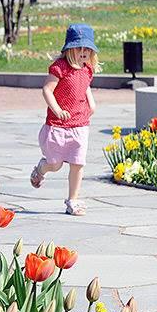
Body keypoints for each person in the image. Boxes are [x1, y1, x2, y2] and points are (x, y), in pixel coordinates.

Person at [29, 24, 98, 217]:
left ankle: (73, 200)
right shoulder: (60, 68)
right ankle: (42, 169)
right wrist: (57, 109)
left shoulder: (87, 69)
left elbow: (85, 87)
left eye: (87, 49)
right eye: (79, 48)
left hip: (80, 125)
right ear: (69, 48)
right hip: (58, 126)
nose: (83, 52)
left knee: (78, 163)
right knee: (55, 164)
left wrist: (91, 104)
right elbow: (47, 90)